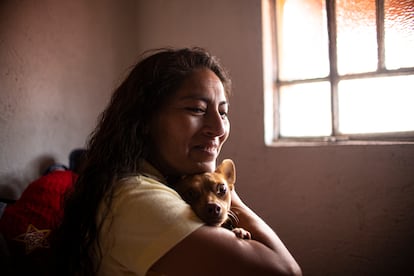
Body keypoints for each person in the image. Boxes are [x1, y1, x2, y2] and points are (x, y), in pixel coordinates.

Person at [52, 47, 302, 276]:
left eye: (223, 112)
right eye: (196, 109)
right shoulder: (135, 199)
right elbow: (284, 271)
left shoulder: (165, 182)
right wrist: (227, 192)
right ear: (145, 120)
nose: (218, 128)